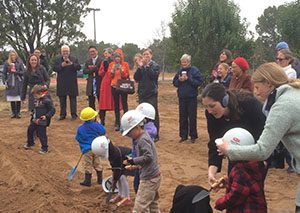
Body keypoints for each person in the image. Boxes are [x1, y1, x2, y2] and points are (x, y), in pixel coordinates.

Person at [216, 62, 300, 212]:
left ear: (268, 83)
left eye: (257, 87)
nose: (256, 92)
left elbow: (263, 151)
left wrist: (229, 150)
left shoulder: (282, 106)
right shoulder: (293, 93)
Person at [201, 83, 267, 189]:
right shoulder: (210, 114)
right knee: (233, 189)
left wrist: (263, 161)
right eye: (206, 107)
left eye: (212, 106)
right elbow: (215, 142)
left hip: (256, 155)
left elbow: (265, 134)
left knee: (253, 192)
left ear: (225, 101)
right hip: (234, 154)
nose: (209, 111)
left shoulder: (249, 104)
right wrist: (211, 172)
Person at [214, 128, 267, 212]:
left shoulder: (239, 171)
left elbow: (236, 195)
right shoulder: (255, 163)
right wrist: (228, 182)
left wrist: (219, 203)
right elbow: (247, 183)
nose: (219, 150)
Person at [121, 110, 161, 213]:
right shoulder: (143, 137)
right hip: (154, 176)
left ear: (138, 127)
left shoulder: (142, 140)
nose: (128, 135)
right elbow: (146, 161)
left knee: (140, 207)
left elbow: (148, 157)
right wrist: (135, 166)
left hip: (149, 179)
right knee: (152, 205)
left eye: (130, 132)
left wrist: (133, 161)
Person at [91, 136, 133, 205]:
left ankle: (126, 197)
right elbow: (115, 169)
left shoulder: (115, 154)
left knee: (122, 177)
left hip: (130, 159)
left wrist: (114, 180)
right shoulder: (112, 154)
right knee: (119, 177)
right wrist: (115, 177)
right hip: (121, 162)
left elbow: (117, 170)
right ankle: (120, 195)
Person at [173, 54, 202, 143]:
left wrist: (188, 79)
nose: (184, 64)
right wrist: (180, 80)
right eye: (182, 62)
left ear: (189, 62)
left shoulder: (195, 70)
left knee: (192, 117)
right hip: (182, 97)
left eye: (185, 62)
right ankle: (183, 136)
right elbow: (174, 83)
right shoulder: (179, 71)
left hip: (192, 97)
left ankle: (193, 136)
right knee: (182, 117)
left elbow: (199, 82)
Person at [134, 48, 160, 141]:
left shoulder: (155, 65)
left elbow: (153, 76)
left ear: (151, 55)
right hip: (142, 93)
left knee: (153, 113)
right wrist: (140, 67)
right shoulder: (141, 66)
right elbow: (136, 78)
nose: (146, 56)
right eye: (144, 54)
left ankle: (155, 134)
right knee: (142, 113)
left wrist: (147, 67)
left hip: (151, 93)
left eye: (148, 54)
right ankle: (144, 132)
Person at [75, 107, 106, 186]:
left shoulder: (80, 128)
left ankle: (87, 181)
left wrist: (83, 145)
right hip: (96, 148)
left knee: (88, 164)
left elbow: (78, 138)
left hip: (86, 149)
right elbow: (103, 131)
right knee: (97, 163)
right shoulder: (96, 125)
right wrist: (98, 123)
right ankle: (100, 179)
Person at [132, 102, 158, 193]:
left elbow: (147, 154)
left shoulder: (144, 133)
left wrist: (134, 160)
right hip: (139, 160)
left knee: (138, 186)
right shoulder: (145, 130)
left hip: (142, 163)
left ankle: (141, 204)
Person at [23, 85, 55, 154]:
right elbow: (35, 108)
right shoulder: (36, 100)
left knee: (42, 134)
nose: (34, 97)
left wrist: (46, 116)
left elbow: (52, 110)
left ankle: (44, 148)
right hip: (34, 120)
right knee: (30, 130)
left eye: (35, 95)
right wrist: (32, 112)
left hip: (42, 121)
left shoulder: (47, 101)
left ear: (40, 93)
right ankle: (30, 143)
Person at [53, 44, 81, 121]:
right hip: (62, 83)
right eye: (64, 51)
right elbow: (54, 68)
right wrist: (62, 65)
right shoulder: (57, 60)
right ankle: (62, 115)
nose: (65, 53)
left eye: (66, 51)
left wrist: (71, 64)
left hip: (72, 82)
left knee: (73, 100)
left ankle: (73, 114)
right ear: (61, 52)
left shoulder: (74, 59)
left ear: (69, 52)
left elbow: (78, 67)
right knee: (62, 100)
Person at [107, 48, 130, 131]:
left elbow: (126, 76)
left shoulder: (125, 64)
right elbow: (109, 76)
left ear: (121, 57)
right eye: (116, 57)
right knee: (116, 105)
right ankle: (117, 123)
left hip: (123, 86)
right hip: (114, 86)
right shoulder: (111, 64)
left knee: (124, 104)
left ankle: (127, 122)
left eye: (119, 57)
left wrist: (121, 70)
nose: (117, 59)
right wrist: (113, 69)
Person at [2, 50, 25, 118]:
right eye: (11, 55)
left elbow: (23, 71)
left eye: (14, 55)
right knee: (11, 98)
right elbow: (4, 73)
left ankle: (18, 112)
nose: (13, 56)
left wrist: (16, 72)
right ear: (10, 56)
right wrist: (4, 81)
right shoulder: (7, 63)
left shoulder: (20, 62)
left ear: (16, 55)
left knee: (18, 98)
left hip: (18, 81)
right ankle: (13, 112)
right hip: (10, 81)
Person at [98, 48, 114, 125]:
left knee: (116, 102)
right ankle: (102, 121)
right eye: (104, 54)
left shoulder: (115, 61)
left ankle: (118, 121)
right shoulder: (103, 62)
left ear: (111, 54)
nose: (105, 55)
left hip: (113, 82)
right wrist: (104, 69)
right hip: (105, 83)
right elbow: (100, 73)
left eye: (107, 53)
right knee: (103, 103)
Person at [83, 46, 102, 110]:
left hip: (99, 83)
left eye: (93, 51)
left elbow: (101, 71)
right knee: (91, 102)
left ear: (97, 51)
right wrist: (93, 69)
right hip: (90, 83)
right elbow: (84, 72)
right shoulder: (87, 61)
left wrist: (91, 69)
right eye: (90, 52)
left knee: (101, 101)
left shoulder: (101, 60)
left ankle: (101, 116)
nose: (92, 53)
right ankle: (92, 116)